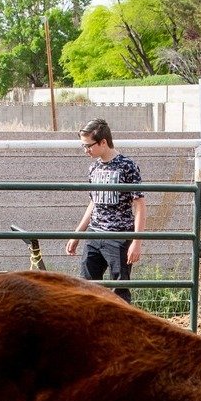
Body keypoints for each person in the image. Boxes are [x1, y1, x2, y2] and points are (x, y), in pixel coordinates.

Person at [64, 118, 144, 304]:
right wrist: (78, 234)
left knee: (119, 290)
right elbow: (94, 203)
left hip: (119, 235)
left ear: (103, 142)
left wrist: (137, 241)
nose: (86, 150)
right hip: (94, 234)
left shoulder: (127, 166)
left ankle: (120, 330)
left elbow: (139, 204)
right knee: (87, 287)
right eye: (83, 146)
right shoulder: (94, 167)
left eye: (88, 146)